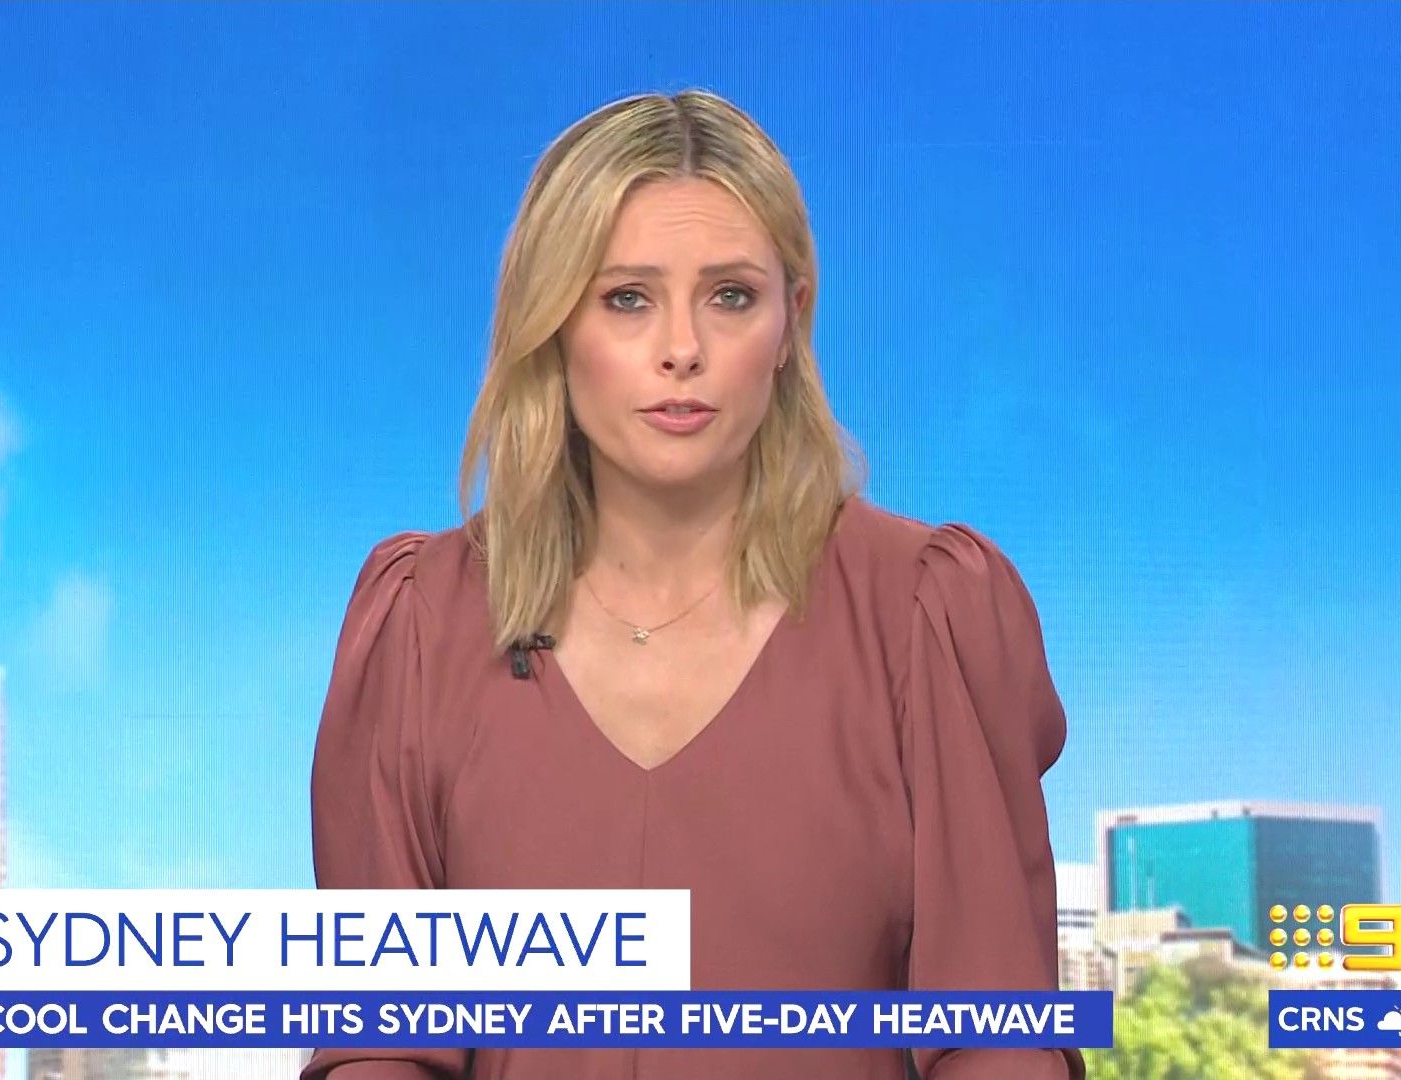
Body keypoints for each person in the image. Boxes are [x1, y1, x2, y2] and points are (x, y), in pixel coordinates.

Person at [303, 88, 1084, 1080]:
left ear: (792, 321)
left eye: (731, 297)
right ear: (553, 324)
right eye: (627, 298)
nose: (683, 349)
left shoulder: (926, 611)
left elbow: (996, 1041)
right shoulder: (421, 621)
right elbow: (384, 1046)